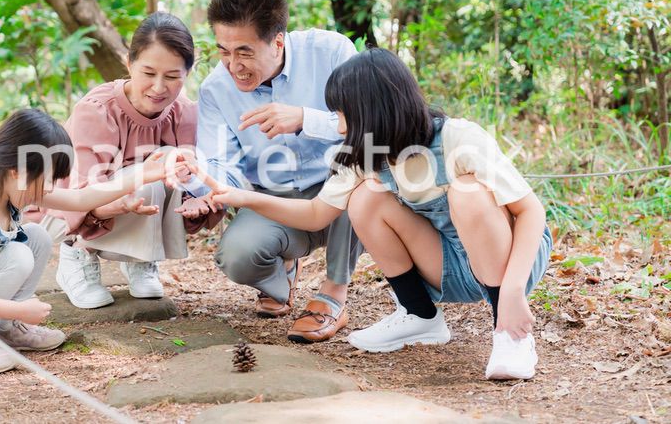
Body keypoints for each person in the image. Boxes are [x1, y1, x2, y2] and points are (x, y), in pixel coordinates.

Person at [200, 48, 553, 380]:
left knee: (468, 195)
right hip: (452, 264)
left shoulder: (458, 138)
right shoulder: (363, 154)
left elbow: (531, 214)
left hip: (514, 264)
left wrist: (513, 291)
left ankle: (511, 334)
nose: (338, 127)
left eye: (343, 116)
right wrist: (244, 198)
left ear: (373, 112)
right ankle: (420, 315)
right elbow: (315, 214)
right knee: (365, 198)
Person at [0, 108, 172, 373]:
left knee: (36, 237)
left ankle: (5, 328)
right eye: (48, 178)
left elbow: (80, 199)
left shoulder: (5, 183)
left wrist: (142, 175)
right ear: (19, 170)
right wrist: (18, 307)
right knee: (17, 256)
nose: (50, 188)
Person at [191, 0, 363, 343]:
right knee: (237, 256)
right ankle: (284, 264)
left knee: (358, 170)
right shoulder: (215, 90)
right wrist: (207, 190)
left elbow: (370, 124)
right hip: (275, 200)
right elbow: (223, 165)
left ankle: (333, 293)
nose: (232, 65)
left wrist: (306, 118)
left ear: (278, 41)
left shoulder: (332, 52)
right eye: (223, 51)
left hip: (341, 193)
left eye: (244, 52)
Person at [42, 12, 221, 309]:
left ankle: (141, 259)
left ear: (187, 74)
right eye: (149, 73)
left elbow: (193, 177)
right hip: (67, 208)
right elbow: (78, 192)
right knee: (150, 169)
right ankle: (77, 254)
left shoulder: (184, 113)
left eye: (173, 76)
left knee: (172, 160)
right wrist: (117, 201)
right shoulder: (98, 110)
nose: (159, 87)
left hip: (133, 203)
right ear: (129, 63)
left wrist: (195, 197)